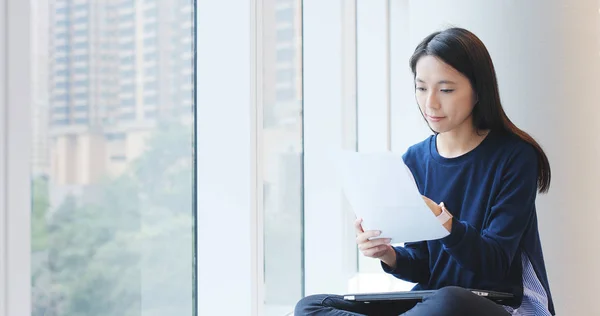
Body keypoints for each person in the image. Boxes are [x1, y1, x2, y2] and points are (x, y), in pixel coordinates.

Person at [294, 27, 555, 315]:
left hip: (499, 304)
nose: (430, 102)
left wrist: (444, 222)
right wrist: (389, 255)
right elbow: (423, 264)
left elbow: (493, 264)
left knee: (448, 301)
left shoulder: (515, 157)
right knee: (311, 307)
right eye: (421, 88)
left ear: (478, 90)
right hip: (433, 303)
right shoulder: (415, 159)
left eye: (446, 90)